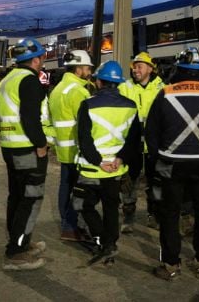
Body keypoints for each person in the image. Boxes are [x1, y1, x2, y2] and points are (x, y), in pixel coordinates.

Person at [145, 47, 199, 280]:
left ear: (179, 68)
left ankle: (171, 264)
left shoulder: (165, 93)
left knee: (170, 214)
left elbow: (151, 131)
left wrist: (158, 157)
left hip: (171, 164)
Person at [73, 60, 141, 265]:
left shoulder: (88, 104)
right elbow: (134, 139)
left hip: (92, 169)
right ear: (118, 83)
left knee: (83, 205)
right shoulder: (131, 106)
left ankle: (102, 239)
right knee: (111, 207)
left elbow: (84, 140)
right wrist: (120, 159)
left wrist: (99, 161)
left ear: (99, 82)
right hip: (116, 169)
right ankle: (110, 243)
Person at [0, 37, 52, 271]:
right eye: (41, 59)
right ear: (36, 59)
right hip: (28, 149)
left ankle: (20, 241)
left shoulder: (7, 79)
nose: (41, 63)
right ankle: (17, 251)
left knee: (17, 197)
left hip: (9, 147)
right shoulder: (29, 81)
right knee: (30, 200)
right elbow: (30, 118)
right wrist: (41, 144)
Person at [48, 50, 95, 242]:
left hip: (62, 147)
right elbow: (87, 123)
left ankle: (67, 224)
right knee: (78, 190)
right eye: (87, 68)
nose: (89, 71)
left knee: (65, 186)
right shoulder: (79, 91)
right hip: (76, 149)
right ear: (78, 69)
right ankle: (70, 226)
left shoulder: (58, 89)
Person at [117, 52, 165, 232]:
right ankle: (128, 217)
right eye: (134, 66)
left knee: (156, 182)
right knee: (129, 182)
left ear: (150, 69)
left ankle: (154, 216)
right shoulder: (125, 87)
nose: (135, 69)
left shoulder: (162, 88)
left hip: (155, 143)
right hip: (132, 142)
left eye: (140, 66)